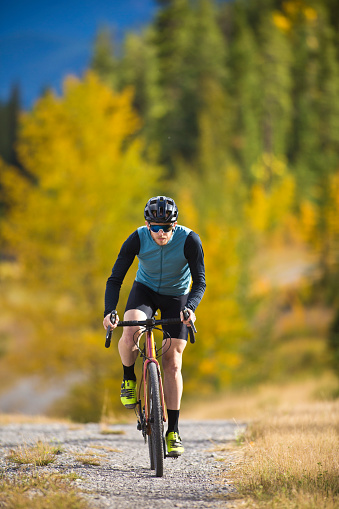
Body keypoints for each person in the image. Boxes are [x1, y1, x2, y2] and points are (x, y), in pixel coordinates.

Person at [103, 196, 206, 457]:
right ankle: (128, 376)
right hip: (145, 291)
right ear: (147, 225)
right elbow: (115, 278)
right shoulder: (137, 238)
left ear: (175, 225)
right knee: (130, 331)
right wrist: (109, 312)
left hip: (177, 297)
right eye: (156, 228)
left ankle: (173, 431)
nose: (161, 233)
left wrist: (190, 309)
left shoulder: (190, 240)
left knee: (172, 362)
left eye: (167, 228)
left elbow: (200, 282)